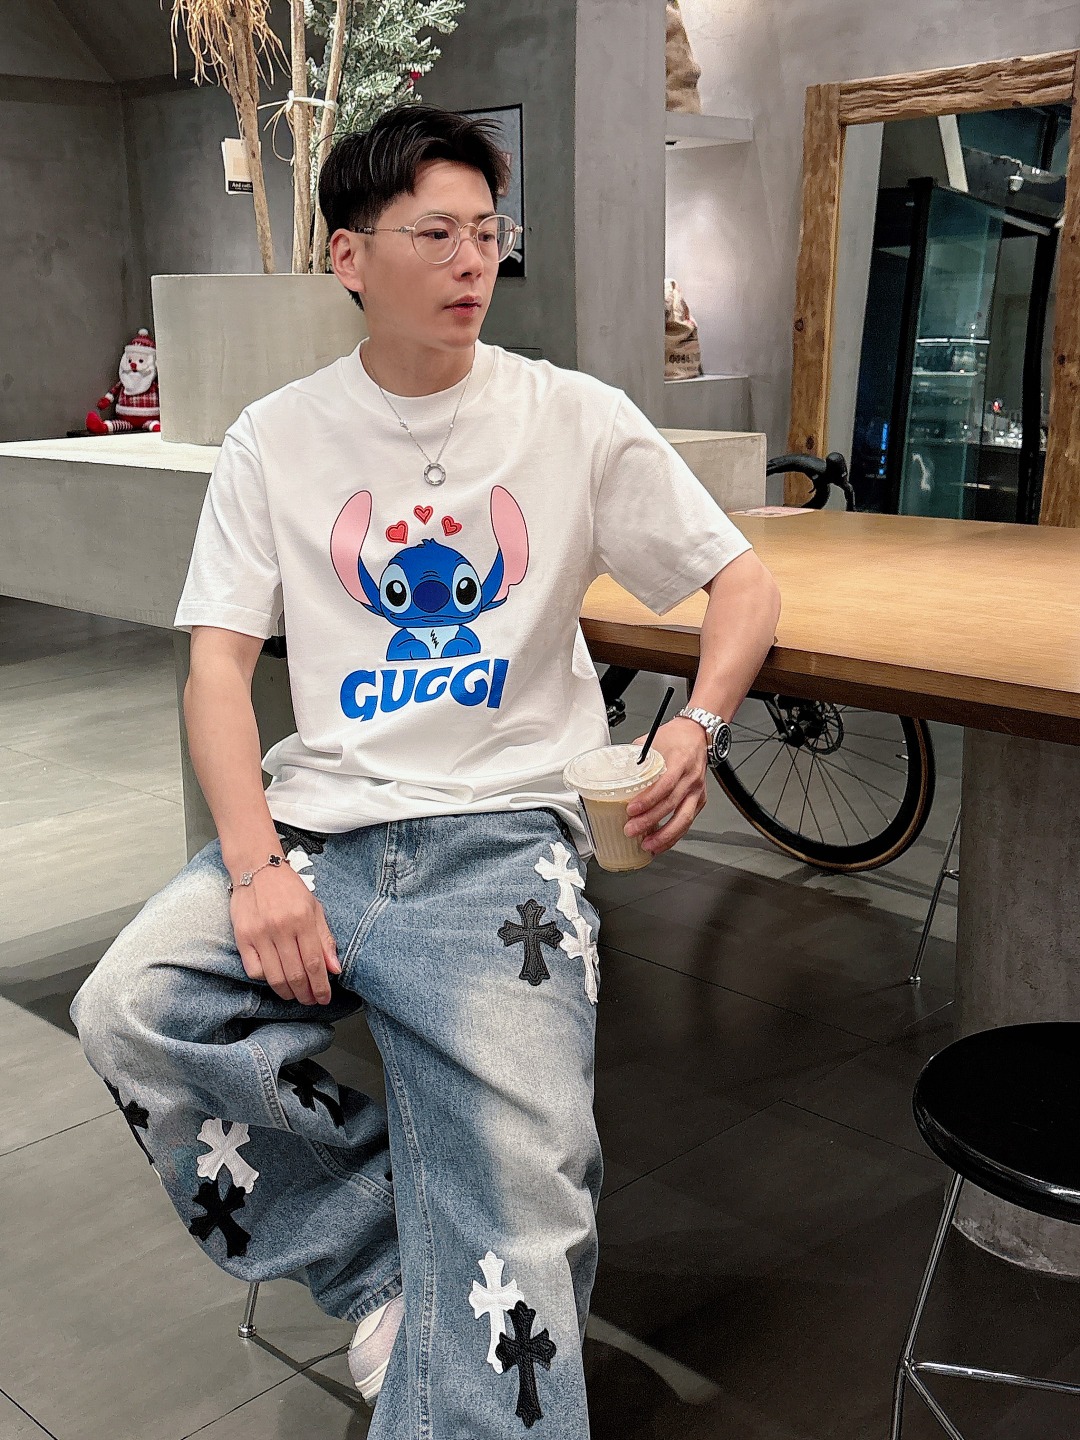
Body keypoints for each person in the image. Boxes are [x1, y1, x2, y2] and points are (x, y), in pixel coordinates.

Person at [69, 103, 781, 1438]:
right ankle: (388, 1266)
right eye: (436, 232)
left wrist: (698, 725)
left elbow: (741, 583)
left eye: (487, 232)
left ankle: (463, 1300)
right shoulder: (277, 437)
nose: (471, 260)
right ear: (349, 256)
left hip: (505, 845)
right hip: (321, 831)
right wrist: (256, 869)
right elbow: (217, 672)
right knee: (130, 1009)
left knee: (531, 1191)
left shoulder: (572, 417)